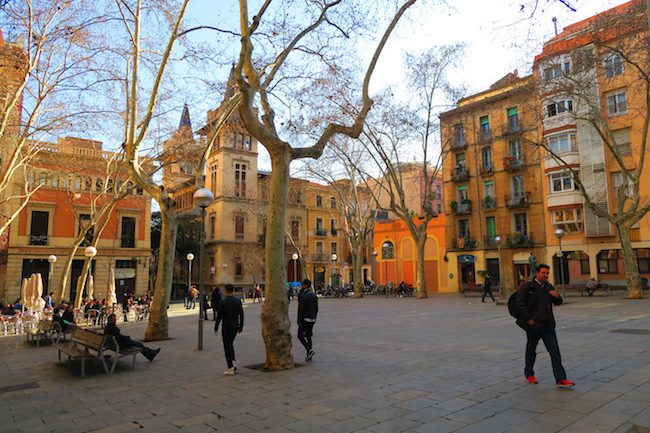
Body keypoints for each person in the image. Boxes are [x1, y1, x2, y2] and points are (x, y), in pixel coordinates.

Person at [514, 264, 574, 388]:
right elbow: (519, 304)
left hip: (548, 325)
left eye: (547, 273)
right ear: (537, 273)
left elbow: (558, 302)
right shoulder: (528, 287)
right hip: (533, 325)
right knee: (531, 350)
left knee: (555, 351)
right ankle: (529, 373)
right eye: (543, 273)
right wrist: (528, 319)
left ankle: (561, 378)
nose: (545, 275)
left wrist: (557, 296)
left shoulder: (548, 286)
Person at [215, 284, 244, 376]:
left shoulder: (223, 302)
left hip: (226, 326)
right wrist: (241, 326)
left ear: (226, 291)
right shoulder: (238, 301)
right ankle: (233, 363)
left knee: (227, 346)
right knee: (230, 344)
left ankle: (230, 366)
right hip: (235, 326)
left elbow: (219, 316)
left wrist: (216, 327)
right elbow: (241, 315)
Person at [297, 278, 318, 362]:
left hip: (305, 318)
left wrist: (299, 320)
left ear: (305, 286)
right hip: (312, 319)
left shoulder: (303, 295)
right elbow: (316, 308)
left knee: (300, 335)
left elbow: (301, 309)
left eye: (302, 285)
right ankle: (309, 355)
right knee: (308, 336)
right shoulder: (313, 294)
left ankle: (309, 350)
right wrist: (314, 317)